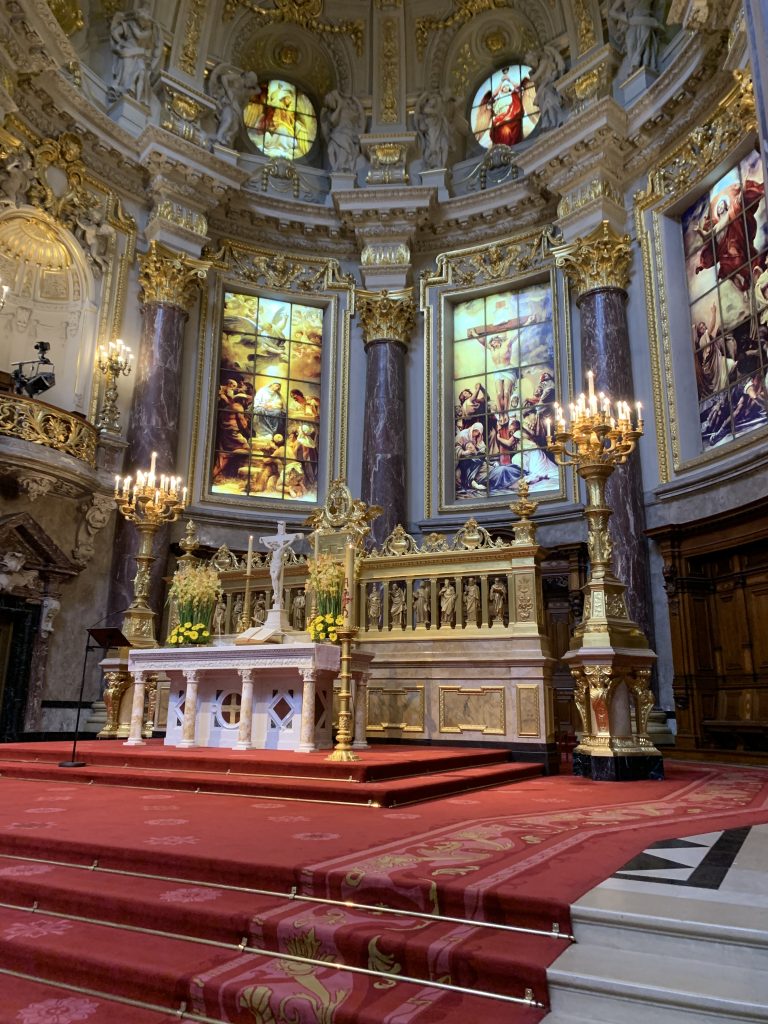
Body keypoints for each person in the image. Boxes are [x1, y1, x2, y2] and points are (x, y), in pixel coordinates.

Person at [695, 178, 766, 292]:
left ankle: (751, 280)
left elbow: (740, 205)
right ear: (717, 213)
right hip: (728, 254)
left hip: (738, 244)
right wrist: (702, 264)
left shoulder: (731, 213)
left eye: (723, 207)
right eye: (719, 209)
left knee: (742, 258)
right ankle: (744, 284)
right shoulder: (718, 226)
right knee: (731, 266)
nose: (721, 209)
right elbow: (708, 238)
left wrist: (743, 194)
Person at [107, 4, 163, 106]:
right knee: (125, 72)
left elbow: (143, 39)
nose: (144, 23)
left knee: (141, 73)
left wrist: (157, 29)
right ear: (139, 18)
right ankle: (123, 88)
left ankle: (135, 95)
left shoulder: (148, 32)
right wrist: (121, 42)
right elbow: (115, 33)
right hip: (128, 52)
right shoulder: (129, 25)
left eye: (146, 21)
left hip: (139, 56)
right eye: (143, 20)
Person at [209, 65, 260, 148]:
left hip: (235, 105)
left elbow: (258, 91)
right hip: (228, 102)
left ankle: (226, 136)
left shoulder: (245, 90)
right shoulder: (237, 78)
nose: (250, 84)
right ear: (247, 78)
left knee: (235, 127)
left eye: (252, 83)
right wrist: (228, 89)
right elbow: (224, 78)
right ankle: (218, 137)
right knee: (228, 120)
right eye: (251, 81)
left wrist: (254, 84)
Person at [259, 521, 302, 611]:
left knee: (275, 578)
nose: (272, 546)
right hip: (273, 564)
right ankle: (275, 593)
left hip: (278, 563)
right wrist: (263, 540)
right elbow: (267, 545)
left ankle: (277, 594)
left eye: (273, 545)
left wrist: (293, 539)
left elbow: (287, 544)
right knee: (272, 577)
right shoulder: (273, 549)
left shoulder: (280, 549)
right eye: (272, 545)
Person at [321, 90, 365, 173]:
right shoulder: (330, 113)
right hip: (335, 136)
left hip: (346, 136)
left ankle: (341, 169)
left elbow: (361, 118)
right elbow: (332, 120)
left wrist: (355, 101)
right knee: (330, 150)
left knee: (343, 154)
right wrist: (339, 106)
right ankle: (335, 168)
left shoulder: (349, 112)